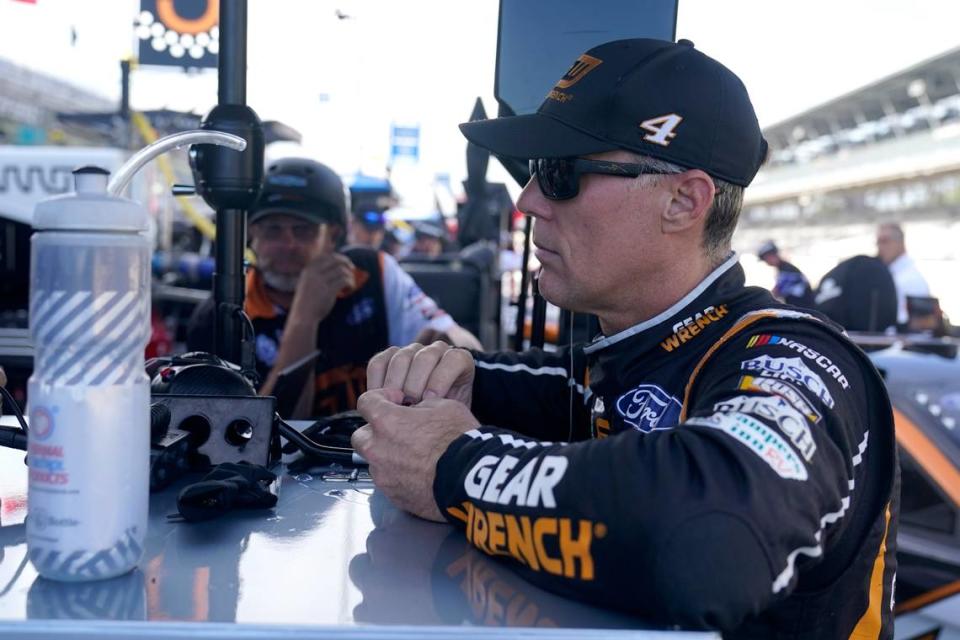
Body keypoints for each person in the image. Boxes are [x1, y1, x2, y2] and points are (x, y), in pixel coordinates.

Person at [350, 39, 898, 638]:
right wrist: (449, 371)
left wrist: (455, 467)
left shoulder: (801, 359)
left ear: (683, 202)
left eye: (559, 173)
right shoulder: (631, 351)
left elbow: (710, 536)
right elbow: (543, 384)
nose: (528, 200)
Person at [186, 157, 481, 418]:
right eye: (272, 229)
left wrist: (451, 347)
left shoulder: (372, 272)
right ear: (251, 236)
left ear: (333, 236)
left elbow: (464, 343)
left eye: (303, 231)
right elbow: (254, 437)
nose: (288, 245)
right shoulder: (221, 313)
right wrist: (304, 319)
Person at [876, 222, 931, 326]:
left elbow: (914, 328)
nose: (879, 247)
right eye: (878, 242)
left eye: (885, 241)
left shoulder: (912, 280)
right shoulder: (891, 275)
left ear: (900, 242)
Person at [757, 240, 816, 307]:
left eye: (766, 259)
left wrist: (761, 302)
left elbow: (776, 293)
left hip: (804, 309)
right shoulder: (784, 268)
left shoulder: (787, 270)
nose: (766, 262)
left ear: (772, 255)